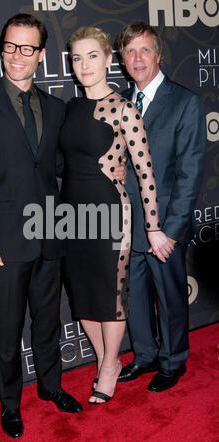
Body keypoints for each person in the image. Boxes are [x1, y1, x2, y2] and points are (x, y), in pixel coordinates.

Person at [0, 13, 83, 440]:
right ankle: (11, 404)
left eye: (27, 48)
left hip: (50, 231)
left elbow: (58, 165)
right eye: (11, 47)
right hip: (4, 239)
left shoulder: (57, 108)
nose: (17, 57)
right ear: (1, 49)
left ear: (41, 55)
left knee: (48, 321)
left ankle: (51, 387)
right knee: (7, 329)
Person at [59, 27, 173, 405]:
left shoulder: (124, 108)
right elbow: (60, 161)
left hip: (110, 212)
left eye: (93, 56)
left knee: (112, 296)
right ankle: (106, 355)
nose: (84, 64)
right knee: (83, 294)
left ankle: (108, 366)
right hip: (73, 215)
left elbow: (146, 173)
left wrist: (153, 226)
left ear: (109, 60)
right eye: (77, 58)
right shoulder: (70, 108)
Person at [117, 21, 206, 392]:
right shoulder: (119, 103)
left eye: (145, 50)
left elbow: (190, 173)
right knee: (134, 297)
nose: (138, 58)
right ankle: (145, 355)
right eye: (130, 51)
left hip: (164, 228)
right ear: (122, 59)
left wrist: (169, 231)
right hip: (127, 224)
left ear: (158, 55)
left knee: (170, 297)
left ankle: (172, 361)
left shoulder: (184, 102)